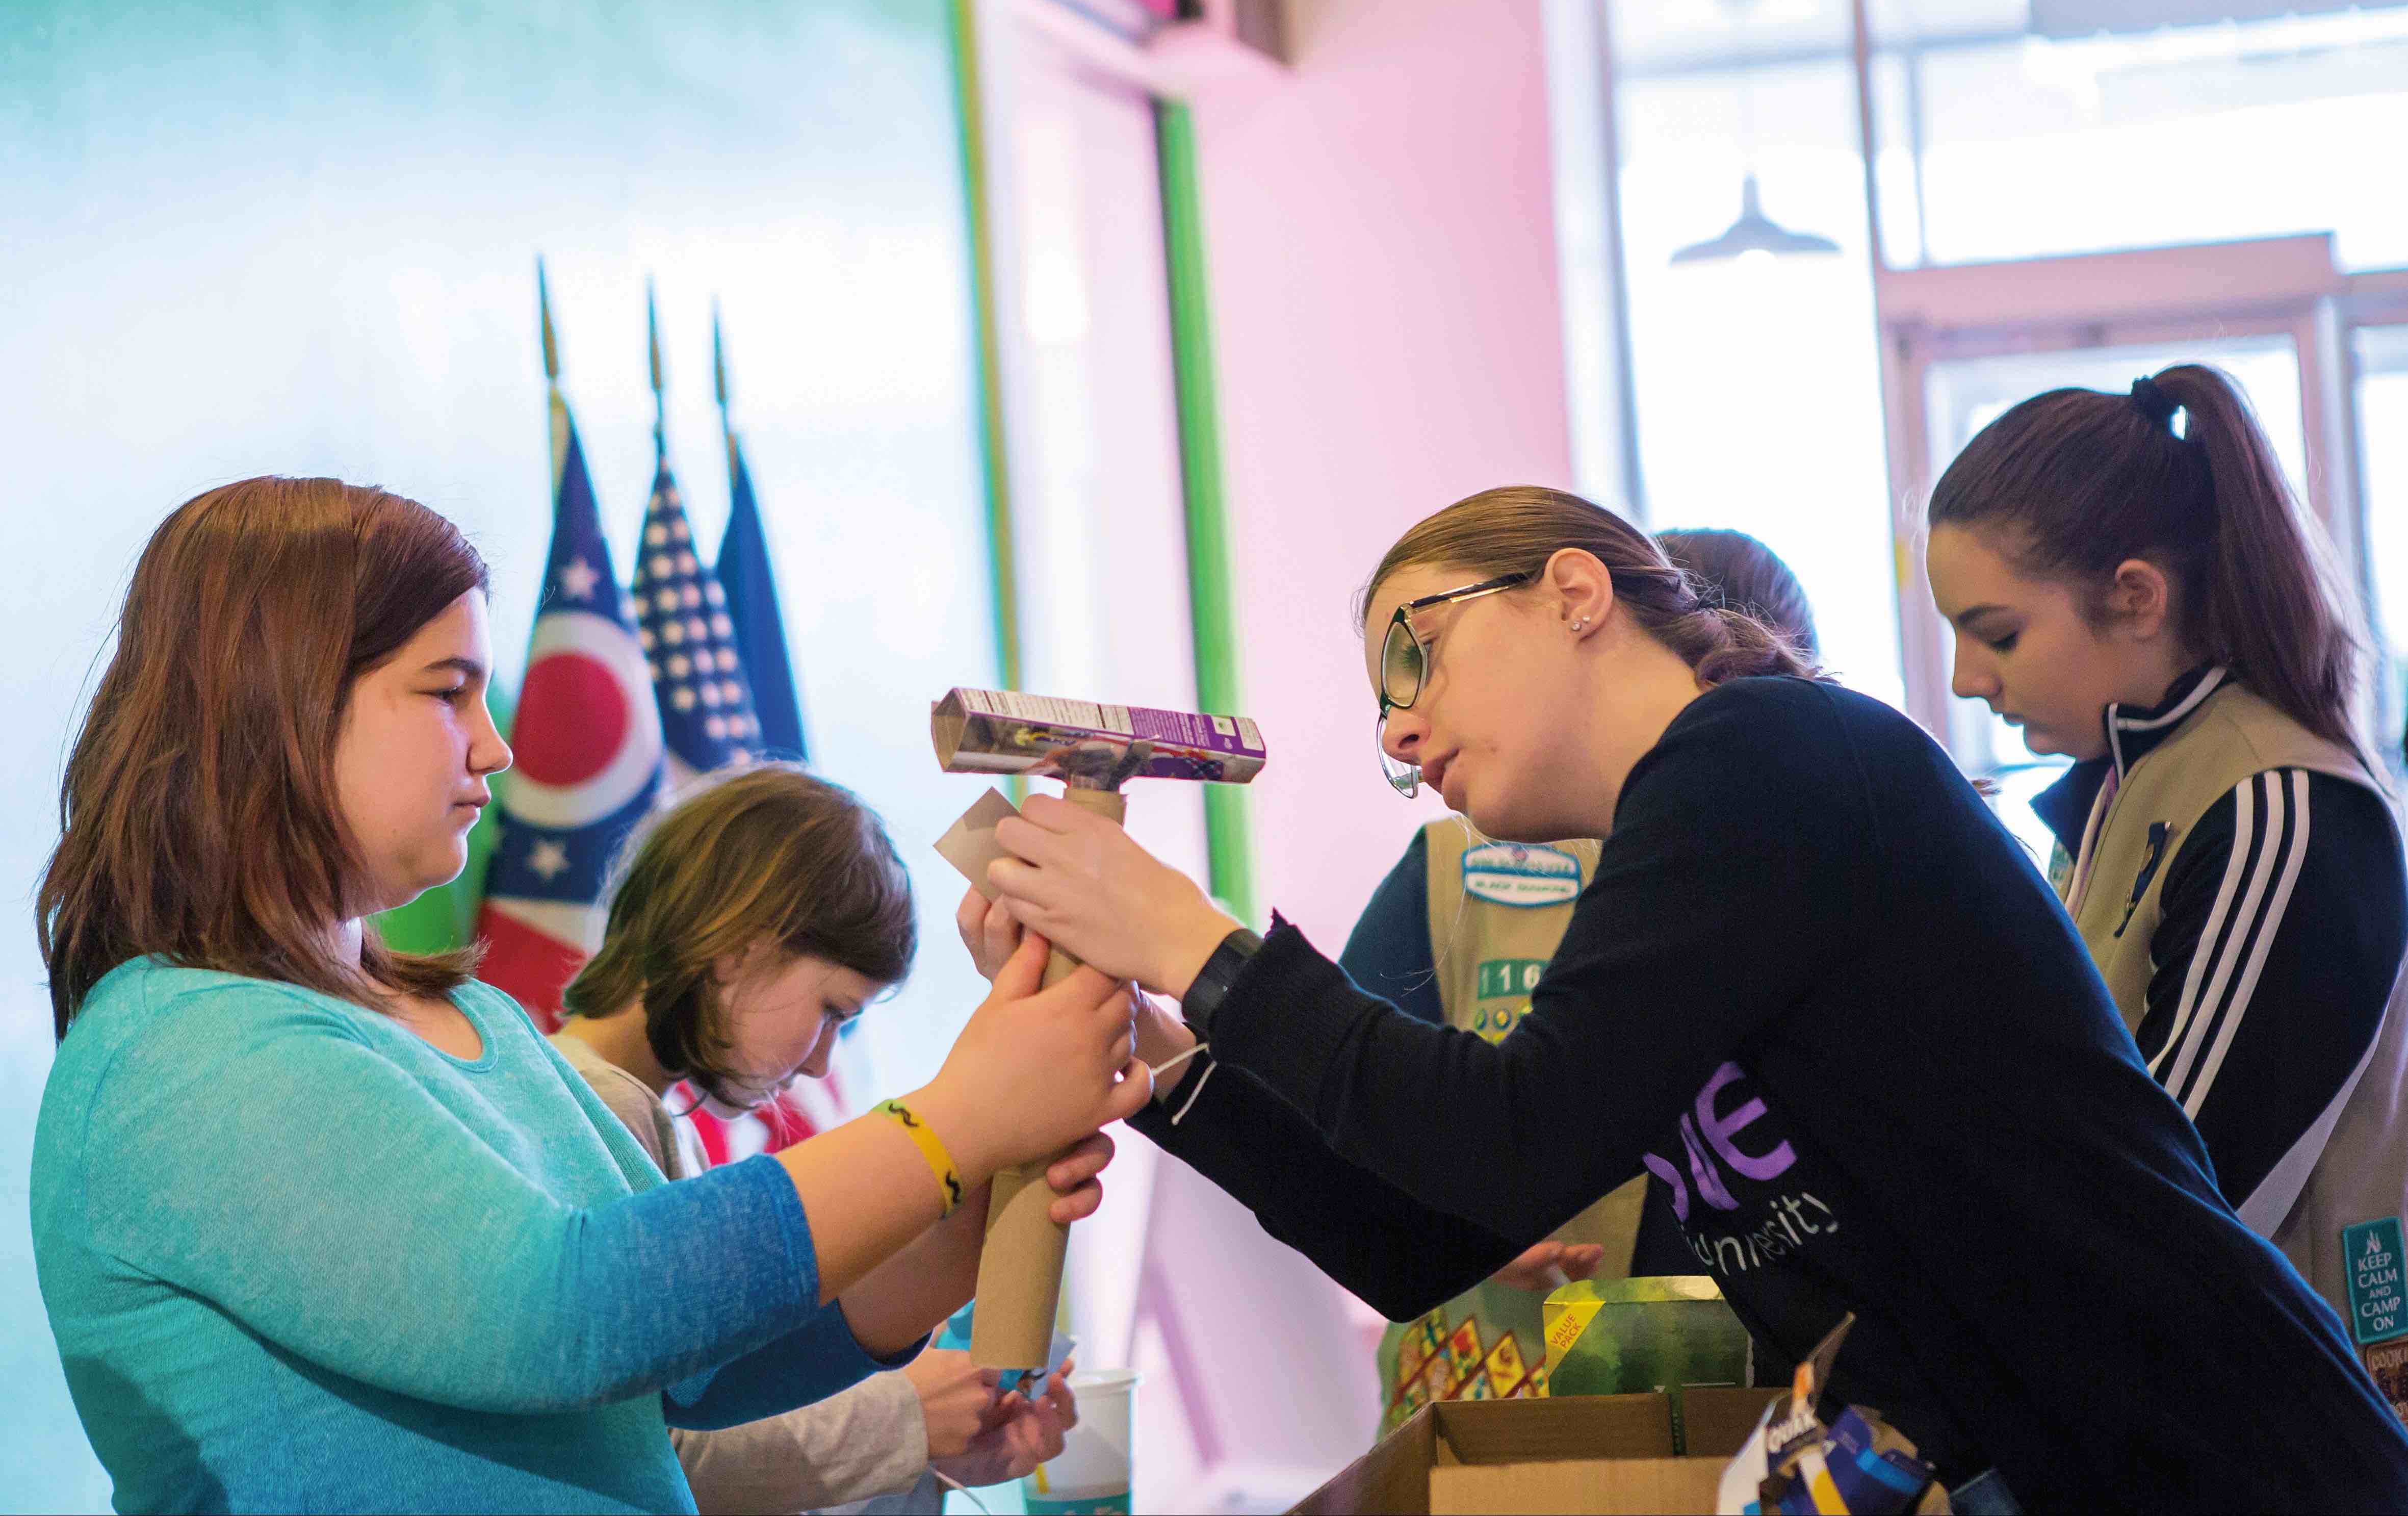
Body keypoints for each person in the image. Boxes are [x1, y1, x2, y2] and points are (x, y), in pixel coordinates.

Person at [966, 484, 2408, 1510]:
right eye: (1378, 708)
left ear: (1574, 593)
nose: (1399, 726)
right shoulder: (1680, 859)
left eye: (1417, 654)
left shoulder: (1765, 759)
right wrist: (1162, 1065)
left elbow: (1505, 1134)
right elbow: (1436, 1233)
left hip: (2211, 1454)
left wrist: (1205, 948)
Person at [30, 476, 1147, 1514]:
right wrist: (951, 1120)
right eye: (444, 692)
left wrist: (959, 1204)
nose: (496, 744)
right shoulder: (185, 1051)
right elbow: (561, 1311)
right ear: (281, 703)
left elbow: (699, 1362)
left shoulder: (475, 1024)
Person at [1926, 366, 2408, 1367]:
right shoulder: (2128, 782)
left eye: (1998, 633)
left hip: (2297, 1422)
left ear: (2135, 596)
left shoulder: (2272, 801)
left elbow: (2170, 1192)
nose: (1969, 680)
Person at [1340, 528, 1820, 1431]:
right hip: (1508, 1390)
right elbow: (1341, 1108)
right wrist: (1458, 1201)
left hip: (1770, 1386)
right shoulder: (1455, 871)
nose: (1408, 734)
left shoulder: (1819, 854)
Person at [550, 761, 1077, 1514]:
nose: (824, 1060)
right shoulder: (597, 1114)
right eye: (834, 1009)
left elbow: (708, 1402)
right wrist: (904, 1418)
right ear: (738, 948)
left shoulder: (648, 1117)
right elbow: (646, 1451)